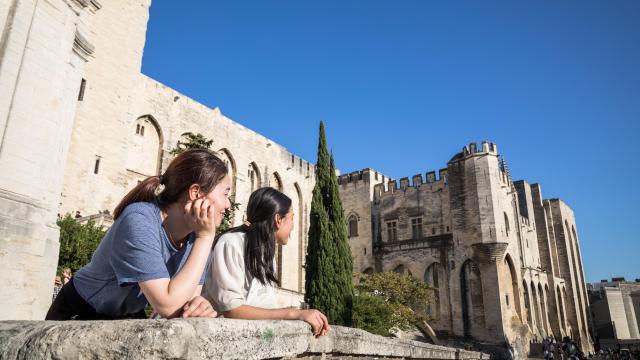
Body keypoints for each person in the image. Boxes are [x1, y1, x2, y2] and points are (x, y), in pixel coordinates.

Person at [46, 149, 230, 320]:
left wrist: (200, 305)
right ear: (196, 193)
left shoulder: (197, 237)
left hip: (127, 316)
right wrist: (205, 239)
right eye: (225, 194)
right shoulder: (139, 218)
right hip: (80, 312)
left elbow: (185, 305)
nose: (227, 206)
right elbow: (168, 306)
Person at [203, 187, 330, 337]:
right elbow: (232, 309)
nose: (293, 226)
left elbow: (265, 308)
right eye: (292, 219)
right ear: (278, 220)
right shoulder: (231, 244)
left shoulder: (266, 254)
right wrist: (295, 314)